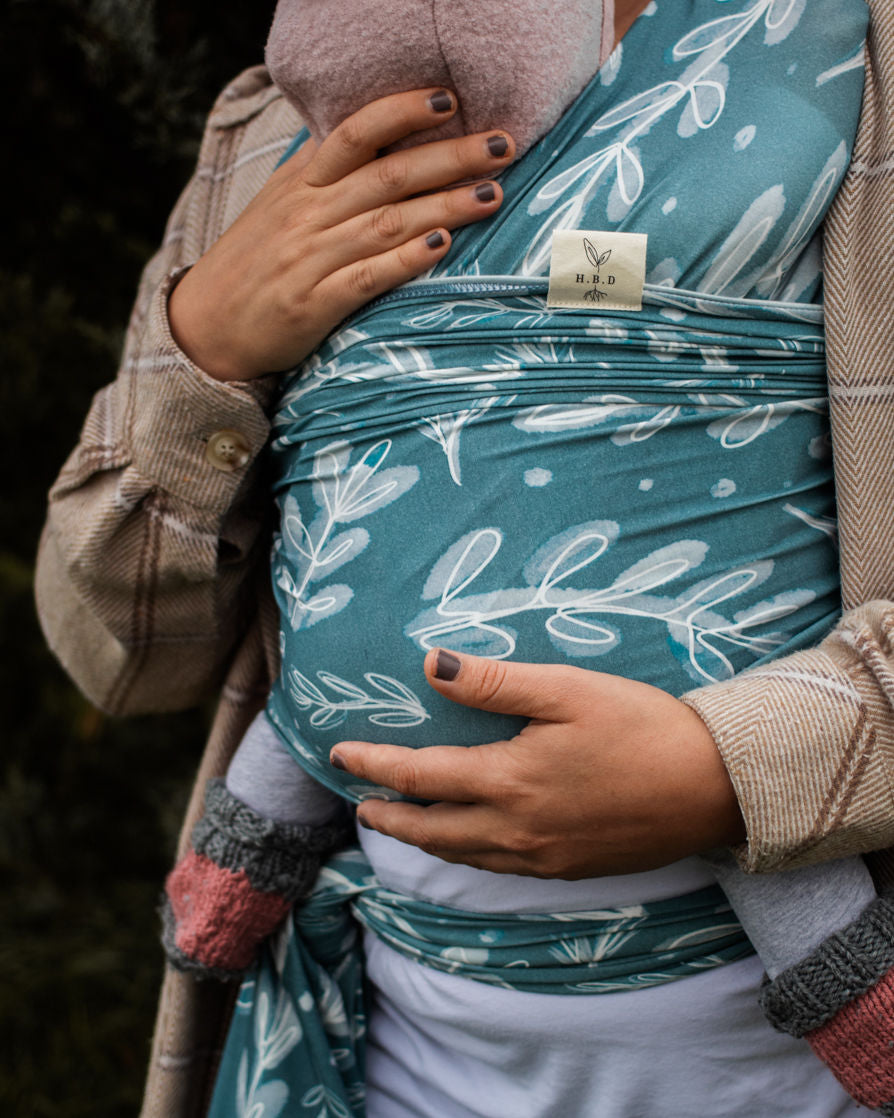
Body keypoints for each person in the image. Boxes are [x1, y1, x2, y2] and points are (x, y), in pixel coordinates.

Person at [36, 1, 894, 1116]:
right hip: (387, 1059)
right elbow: (113, 652)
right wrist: (206, 350)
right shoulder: (277, 131)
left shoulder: (855, 60)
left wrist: (728, 770)